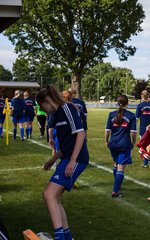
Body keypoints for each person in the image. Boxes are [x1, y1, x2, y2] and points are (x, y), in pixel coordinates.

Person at [36, 85, 89, 240]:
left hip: (77, 159)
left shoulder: (67, 109)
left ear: (47, 100)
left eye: (41, 105)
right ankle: (67, 237)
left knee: (48, 194)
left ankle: (60, 237)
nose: (42, 109)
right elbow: (66, 145)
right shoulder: (57, 114)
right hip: (67, 157)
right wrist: (52, 160)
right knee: (55, 197)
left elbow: (80, 135)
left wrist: (72, 161)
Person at [105, 95, 137, 198]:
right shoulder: (131, 115)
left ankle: (117, 185)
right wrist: (133, 141)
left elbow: (107, 131)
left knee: (116, 163)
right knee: (121, 168)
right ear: (127, 103)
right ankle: (115, 191)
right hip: (124, 144)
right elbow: (133, 133)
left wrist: (106, 141)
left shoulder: (111, 114)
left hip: (113, 143)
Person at [135, 90, 150, 167]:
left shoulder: (139, 106)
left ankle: (145, 163)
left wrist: (134, 128)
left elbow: (136, 118)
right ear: (148, 95)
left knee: (144, 146)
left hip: (143, 129)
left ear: (142, 96)